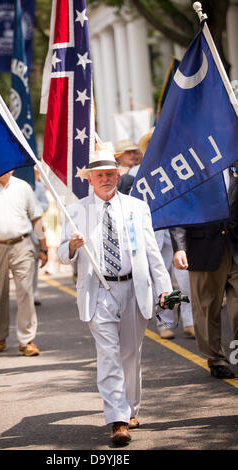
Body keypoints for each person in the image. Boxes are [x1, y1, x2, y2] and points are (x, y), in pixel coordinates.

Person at [58, 143, 172, 445]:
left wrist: (164, 288)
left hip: (134, 289)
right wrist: (71, 246)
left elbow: (151, 251)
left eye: (111, 173)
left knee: (131, 355)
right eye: (100, 175)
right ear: (89, 179)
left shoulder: (136, 207)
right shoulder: (75, 212)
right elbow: (60, 253)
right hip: (99, 292)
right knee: (108, 356)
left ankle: (131, 407)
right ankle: (118, 420)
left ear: (118, 174)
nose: (106, 178)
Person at [169, 162, 238, 379]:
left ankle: (236, 355)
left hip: (236, 247)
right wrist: (179, 248)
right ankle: (216, 359)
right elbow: (179, 212)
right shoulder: (192, 172)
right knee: (207, 308)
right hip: (203, 249)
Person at [0, 171, 48, 356]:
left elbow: (37, 219)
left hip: (22, 244)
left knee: (26, 292)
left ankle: (26, 341)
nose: (6, 169)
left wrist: (44, 248)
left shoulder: (23, 187)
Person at [137, 130, 195, 340]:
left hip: (177, 230)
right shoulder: (139, 172)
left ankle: (190, 321)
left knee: (186, 279)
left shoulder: (177, 169)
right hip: (153, 232)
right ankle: (165, 323)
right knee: (161, 281)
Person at [32, 167, 49, 306]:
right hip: (20, 229)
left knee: (34, 264)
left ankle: (34, 291)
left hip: (35, 228)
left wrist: (33, 206)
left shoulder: (38, 187)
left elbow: (45, 205)